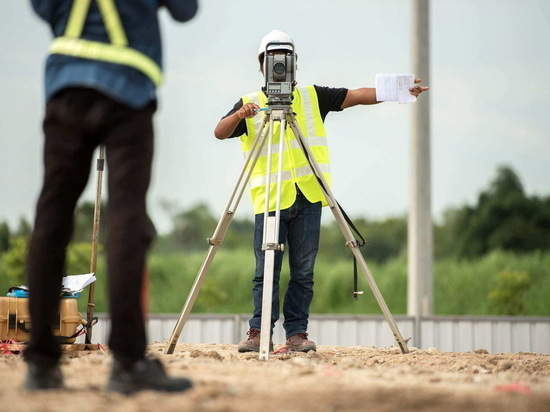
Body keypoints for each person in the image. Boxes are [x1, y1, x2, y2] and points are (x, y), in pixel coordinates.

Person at [214, 29, 428, 353]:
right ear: (262, 66)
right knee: (265, 271)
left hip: (310, 198)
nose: (279, 68)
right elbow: (219, 132)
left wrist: (399, 90)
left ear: (294, 64)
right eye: (272, 62)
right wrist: (238, 116)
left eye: (284, 61)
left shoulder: (312, 97)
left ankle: (296, 335)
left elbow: (356, 95)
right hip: (270, 202)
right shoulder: (250, 105)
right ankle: (258, 333)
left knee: (303, 271)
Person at [24, 0, 198, 393]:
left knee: (52, 219)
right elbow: (186, 10)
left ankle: (41, 364)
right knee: (127, 220)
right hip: (129, 93)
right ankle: (128, 363)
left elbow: (42, 7)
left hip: (65, 83)